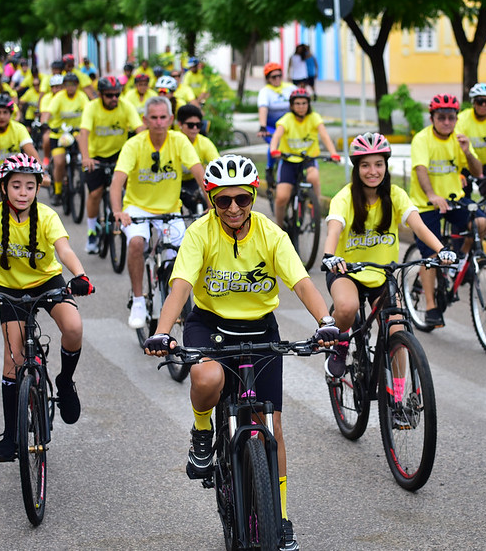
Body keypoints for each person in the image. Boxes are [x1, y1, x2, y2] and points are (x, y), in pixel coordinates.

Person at [143, 154, 340, 551]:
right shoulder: (200, 233)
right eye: (223, 201)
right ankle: (202, 432)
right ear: (210, 198)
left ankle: (280, 517)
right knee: (207, 377)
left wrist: (325, 321)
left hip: (260, 329)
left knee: (273, 425)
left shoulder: (270, 233)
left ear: (253, 196)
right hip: (210, 325)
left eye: (242, 199)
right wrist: (162, 332)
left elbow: (300, 281)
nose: (234, 208)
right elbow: (180, 285)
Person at [0, 154, 94, 461]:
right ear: (3, 187)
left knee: (73, 327)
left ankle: (64, 381)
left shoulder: (46, 215)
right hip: (10, 290)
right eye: (16, 185)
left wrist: (81, 275)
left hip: (47, 283)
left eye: (30, 187)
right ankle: (11, 435)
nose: (23, 192)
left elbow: (64, 250)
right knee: (13, 361)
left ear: (37, 189)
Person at [322, 132, 455, 377]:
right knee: (347, 307)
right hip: (346, 272)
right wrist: (329, 256)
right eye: (365, 165)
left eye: (378, 164)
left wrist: (442, 250)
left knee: (397, 330)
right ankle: (340, 345)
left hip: (383, 275)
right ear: (356, 168)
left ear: (386, 165)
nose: (372, 171)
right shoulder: (344, 197)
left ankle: (398, 400)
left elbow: (419, 226)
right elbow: (334, 228)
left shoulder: (395, 195)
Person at [110, 96, 205, 329]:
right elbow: (116, 182)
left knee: (179, 259)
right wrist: (117, 211)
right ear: (145, 119)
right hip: (137, 207)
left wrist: (215, 208)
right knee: (136, 244)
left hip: (170, 210)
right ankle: (139, 300)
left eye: (164, 117)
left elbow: (201, 176)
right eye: (154, 117)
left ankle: (177, 304)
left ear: (171, 119)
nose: (159, 122)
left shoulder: (180, 141)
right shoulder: (134, 144)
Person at [410, 93, 485, 328]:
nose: (446, 122)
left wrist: (468, 152)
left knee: (481, 224)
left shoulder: (459, 139)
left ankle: (461, 258)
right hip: (425, 205)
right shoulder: (422, 139)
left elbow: (477, 171)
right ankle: (431, 306)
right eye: (441, 117)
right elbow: (421, 169)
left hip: (454, 200)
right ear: (432, 117)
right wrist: (432, 195)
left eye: (451, 118)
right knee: (432, 255)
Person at [78, 76, 142, 253]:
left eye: (116, 95)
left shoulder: (125, 106)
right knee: (95, 192)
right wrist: (85, 157)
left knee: (130, 186)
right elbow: (83, 133)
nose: (114, 98)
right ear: (100, 95)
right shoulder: (92, 107)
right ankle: (92, 230)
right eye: (109, 95)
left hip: (119, 156)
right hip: (95, 156)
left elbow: (140, 129)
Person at [268, 88, 340, 228]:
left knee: (313, 178)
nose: (301, 107)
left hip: (308, 160)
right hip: (288, 161)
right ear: (292, 105)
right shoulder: (286, 119)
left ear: (308, 104)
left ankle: (315, 208)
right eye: (297, 103)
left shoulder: (314, 118)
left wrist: (333, 153)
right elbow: (276, 136)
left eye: (304, 103)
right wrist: (273, 150)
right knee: (282, 197)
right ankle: (279, 226)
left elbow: (324, 135)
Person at [43, 73, 89, 205]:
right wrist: (45, 121)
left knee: (85, 144)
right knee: (59, 162)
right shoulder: (59, 97)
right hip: (57, 135)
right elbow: (49, 112)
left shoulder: (82, 97)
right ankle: (57, 191)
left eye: (73, 84)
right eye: (67, 84)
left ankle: (82, 169)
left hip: (75, 134)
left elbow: (88, 112)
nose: (70, 87)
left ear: (77, 86)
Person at [176, 103, 217, 214]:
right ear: (180, 124)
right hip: (173, 182)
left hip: (193, 182)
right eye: (190, 125)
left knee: (203, 212)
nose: (195, 128)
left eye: (198, 125)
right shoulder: (173, 140)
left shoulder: (204, 142)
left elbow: (217, 164)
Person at [257, 62, 296, 178]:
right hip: (271, 127)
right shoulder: (265, 91)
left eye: (279, 75)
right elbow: (263, 108)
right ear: (268, 78)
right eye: (274, 77)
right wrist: (263, 126)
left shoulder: (290, 88)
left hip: (288, 126)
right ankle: (270, 167)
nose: (277, 79)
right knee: (275, 143)